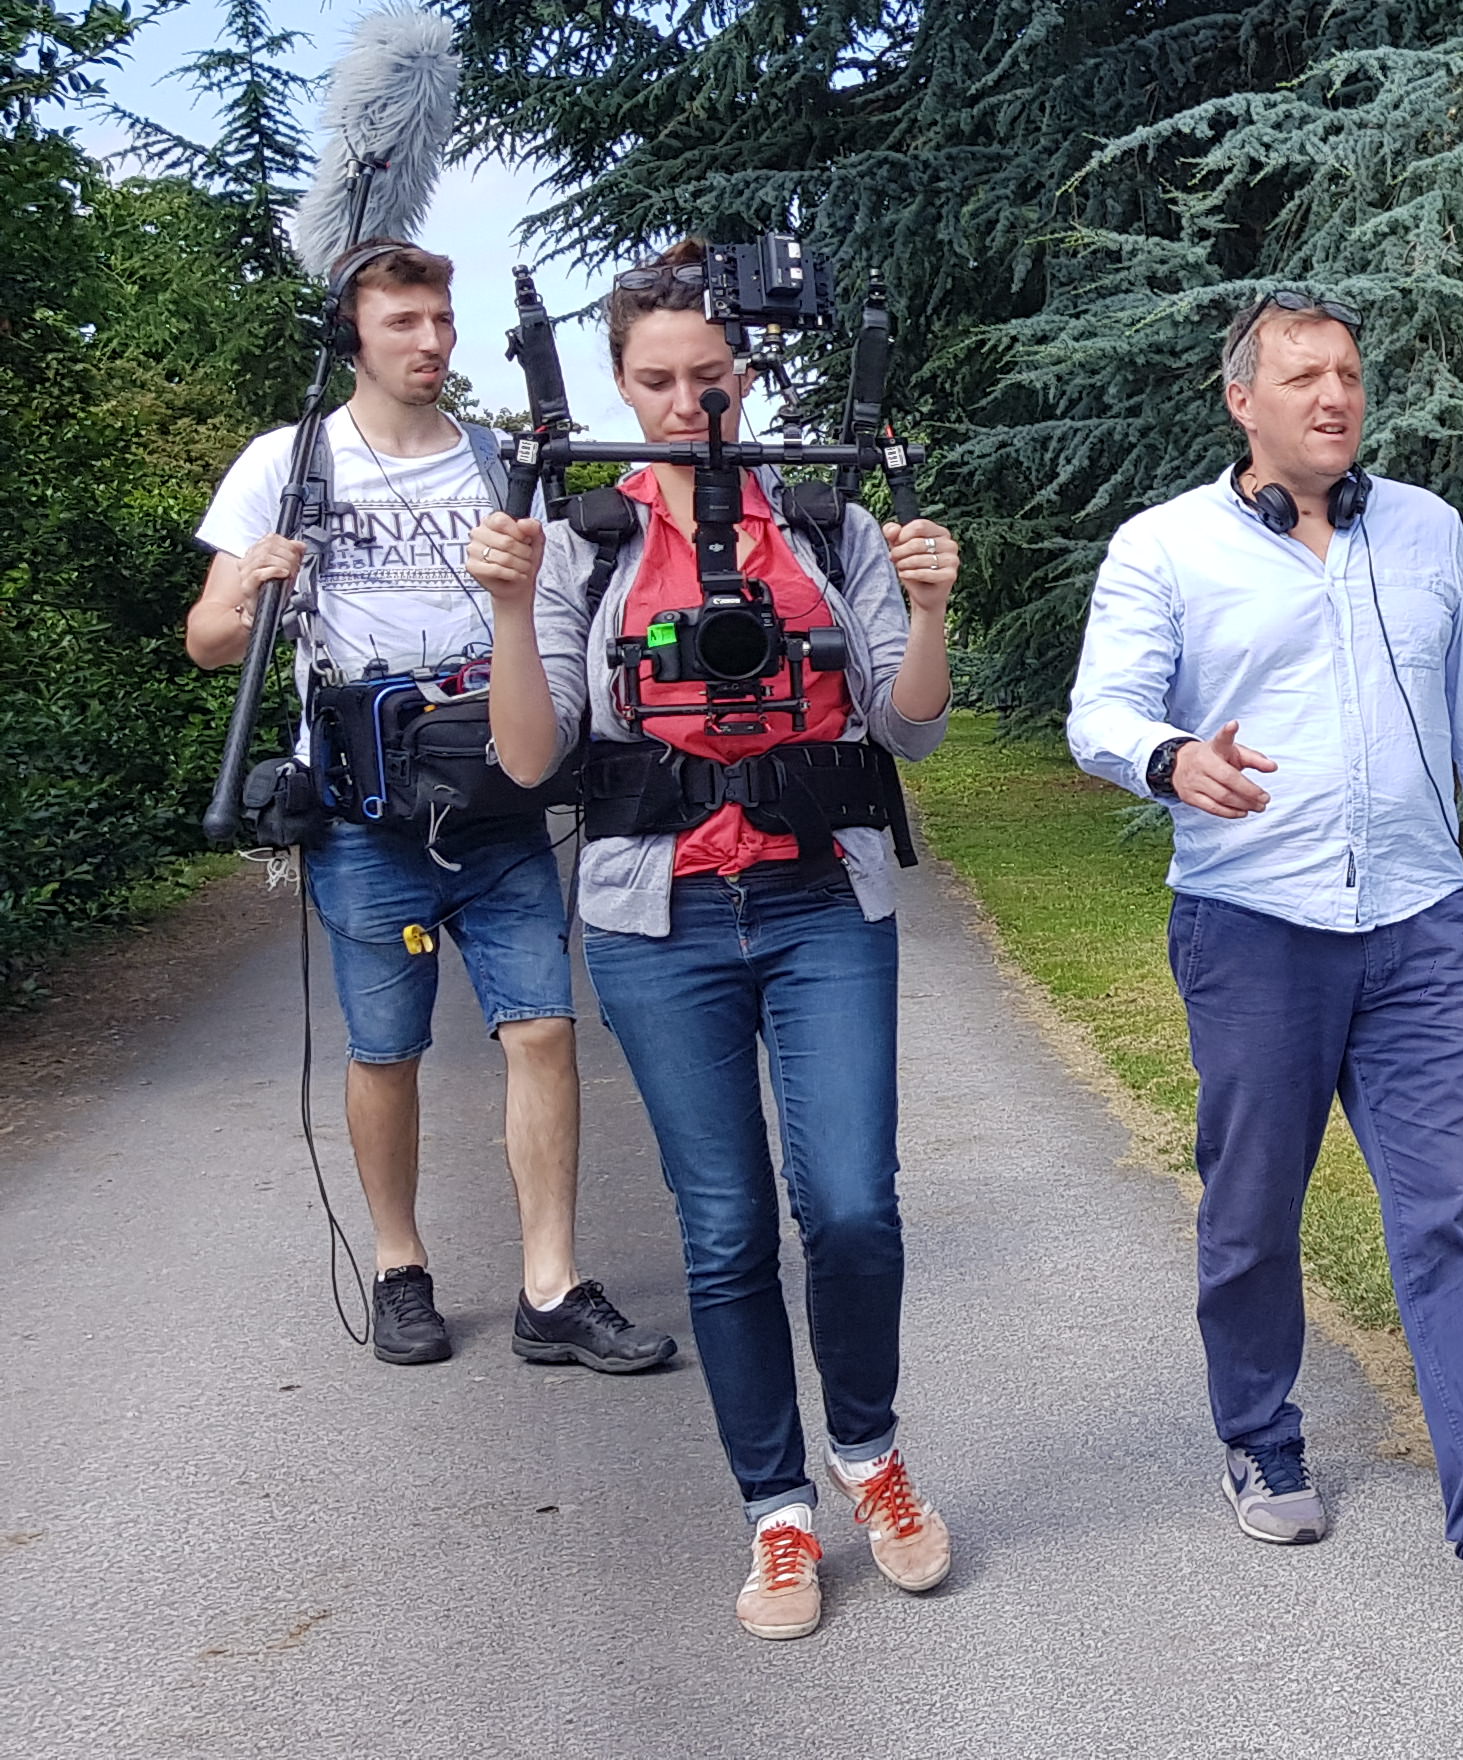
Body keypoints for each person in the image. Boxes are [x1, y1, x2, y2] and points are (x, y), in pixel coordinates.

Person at [1064, 289, 1463, 1620]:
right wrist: (1172, 758)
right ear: (1242, 399)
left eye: (1349, 374)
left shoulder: (1426, 532)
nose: (1334, 397)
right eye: (1303, 376)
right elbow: (1099, 714)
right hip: (1254, 935)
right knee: (1251, 1215)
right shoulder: (1166, 548)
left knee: (1446, 1218)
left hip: (1420, 932)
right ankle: (1259, 1434)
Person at [468, 239, 963, 1643]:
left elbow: (910, 725)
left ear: (747, 379)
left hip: (821, 904)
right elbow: (528, 758)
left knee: (854, 1206)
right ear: (618, 383)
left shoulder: (828, 524)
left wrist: (928, 605)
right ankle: (777, 1509)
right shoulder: (584, 541)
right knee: (729, 1228)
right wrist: (508, 606)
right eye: (657, 380)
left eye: (710, 376)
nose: (689, 403)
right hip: (658, 920)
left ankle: (868, 1454)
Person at [185, 239, 675, 1376]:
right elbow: (211, 642)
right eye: (403, 322)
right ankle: (401, 1266)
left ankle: (550, 1287)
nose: (431, 343)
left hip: (496, 789)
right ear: (349, 334)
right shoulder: (289, 463)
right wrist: (255, 579)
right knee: (386, 1046)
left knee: (543, 1027)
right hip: (362, 811)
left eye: (441, 321)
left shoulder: (503, 460)